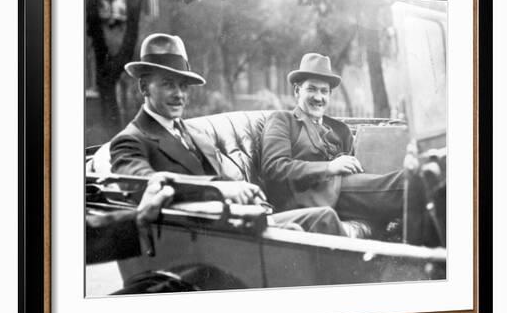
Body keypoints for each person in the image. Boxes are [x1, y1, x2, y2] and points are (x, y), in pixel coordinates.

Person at [108, 33, 353, 236]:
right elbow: (147, 183)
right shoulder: (130, 140)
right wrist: (219, 190)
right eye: (168, 84)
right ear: (143, 87)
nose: (179, 94)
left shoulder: (192, 133)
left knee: (323, 216)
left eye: (183, 85)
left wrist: (248, 194)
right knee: (320, 221)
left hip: (243, 217)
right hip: (207, 232)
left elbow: (225, 180)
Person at [261, 53, 405, 237]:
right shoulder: (283, 120)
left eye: (324, 91)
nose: (318, 97)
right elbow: (273, 167)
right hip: (309, 199)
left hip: (346, 197)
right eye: (311, 89)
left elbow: (356, 172)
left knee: (407, 184)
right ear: (297, 91)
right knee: (410, 184)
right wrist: (329, 167)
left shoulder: (340, 130)